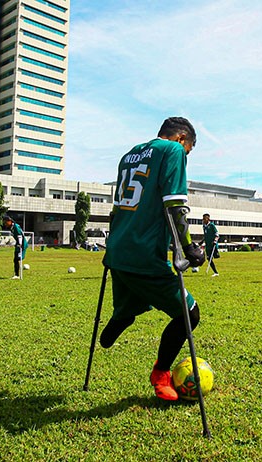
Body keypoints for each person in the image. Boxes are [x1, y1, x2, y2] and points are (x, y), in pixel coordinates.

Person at [99, 116, 205, 401]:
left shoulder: (129, 155)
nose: (186, 157)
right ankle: (161, 373)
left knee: (135, 295)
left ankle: (122, 314)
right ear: (182, 139)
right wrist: (188, 247)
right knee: (189, 313)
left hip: (117, 251)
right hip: (144, 255)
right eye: (189, 151)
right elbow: (174, 203)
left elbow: (119, 207)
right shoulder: (172, 152)